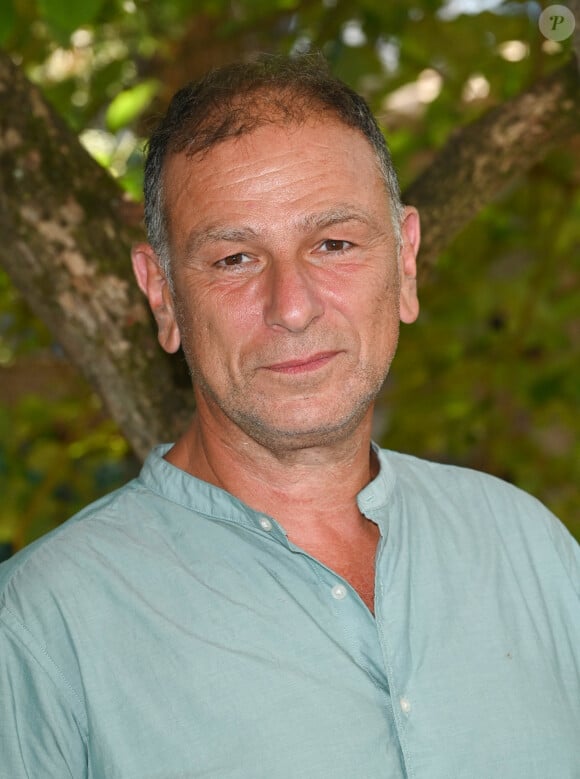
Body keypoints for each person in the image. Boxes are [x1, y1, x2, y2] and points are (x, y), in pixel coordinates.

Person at [1, 53, 579, 779]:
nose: (294, 307)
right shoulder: (41, 630)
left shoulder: (532, 551)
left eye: (333, 244)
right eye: (236, 258)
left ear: (405, 261)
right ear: (162, 295)